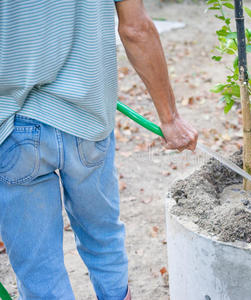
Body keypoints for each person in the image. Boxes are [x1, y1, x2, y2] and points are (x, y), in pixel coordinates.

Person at [0, 0, 198, 299]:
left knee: (38, 267)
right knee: (103, 239)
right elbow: (136, 29)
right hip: (88, 119)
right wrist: (170, 119)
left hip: (14, 126)